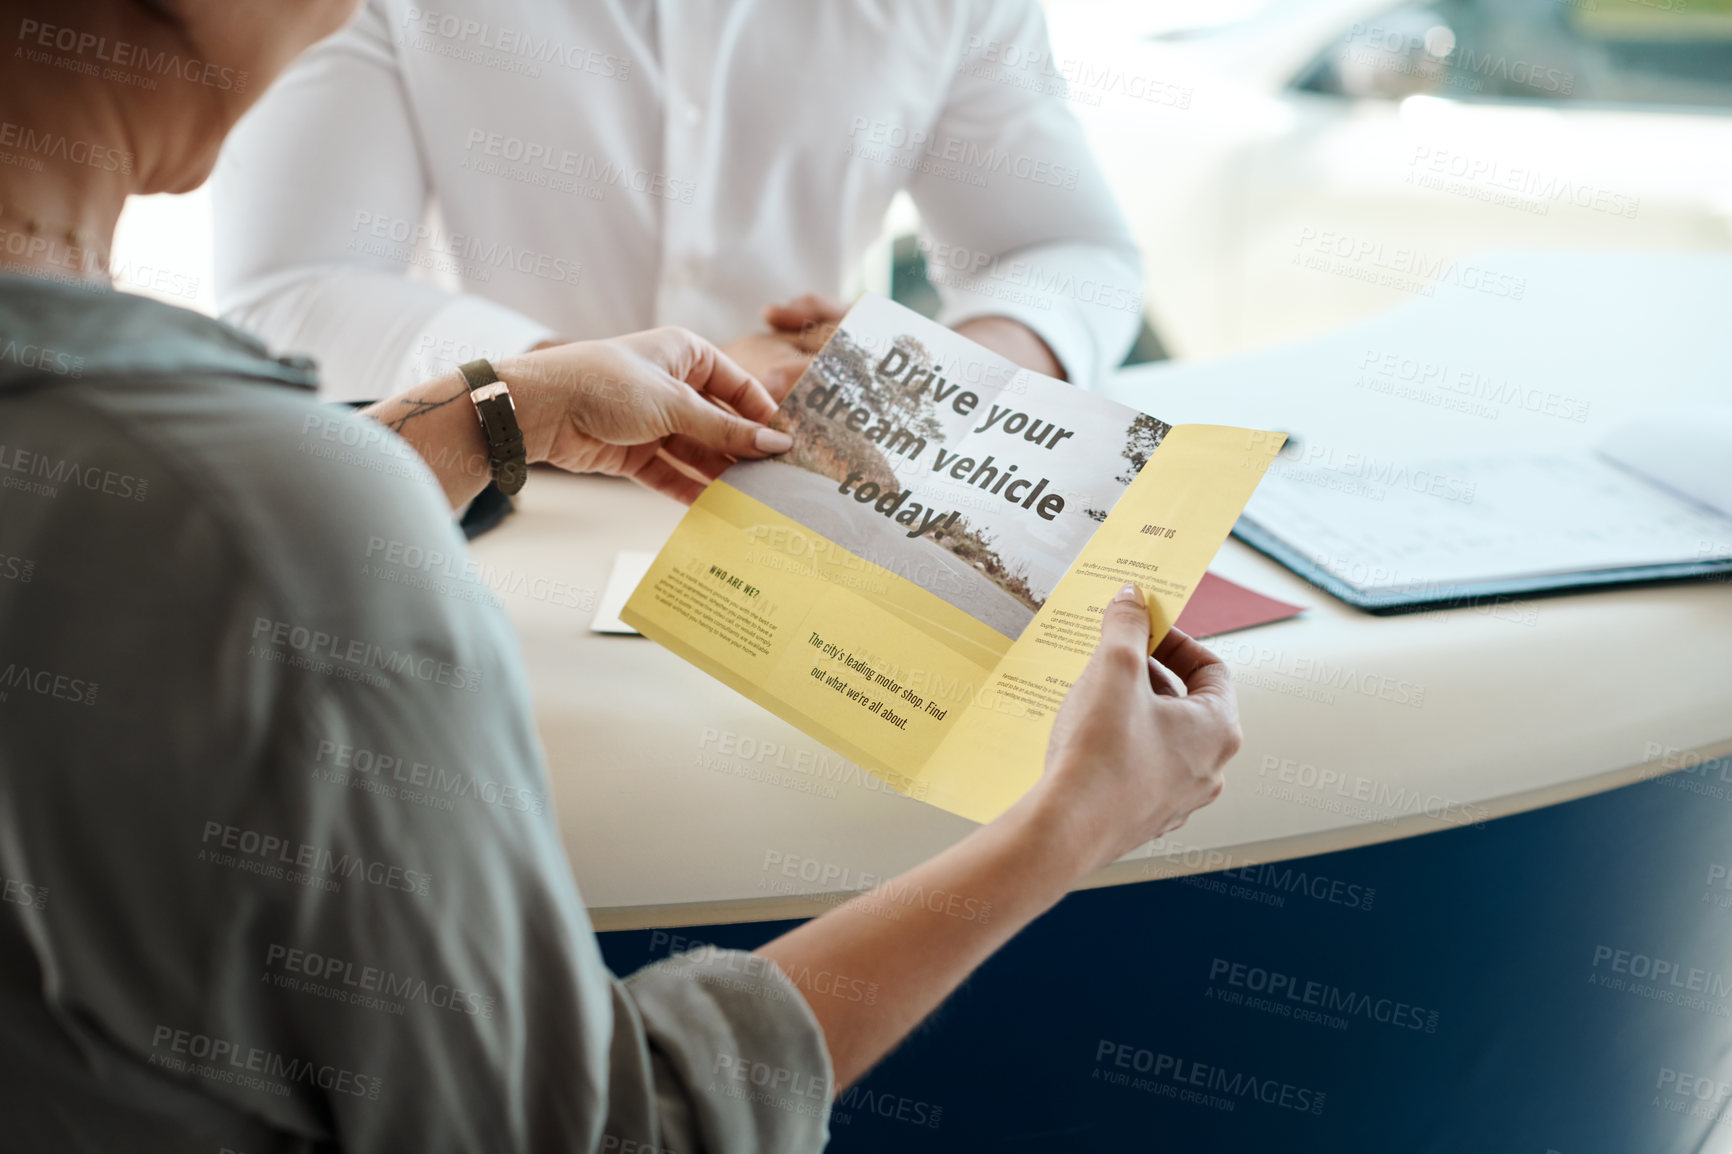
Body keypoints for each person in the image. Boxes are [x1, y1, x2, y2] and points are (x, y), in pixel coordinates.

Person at [0, 1, 1240, 1151]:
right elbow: (598, 1128)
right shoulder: (262, 518)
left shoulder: (188, 495)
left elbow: (140, 567)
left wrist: (485, 411)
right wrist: (1069, 824)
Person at [210, 0, 1146, 402]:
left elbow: (1071, 250)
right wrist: (581, 385)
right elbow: (293, 286)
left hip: (812, 526)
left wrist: (931, 377)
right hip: (492, 503)